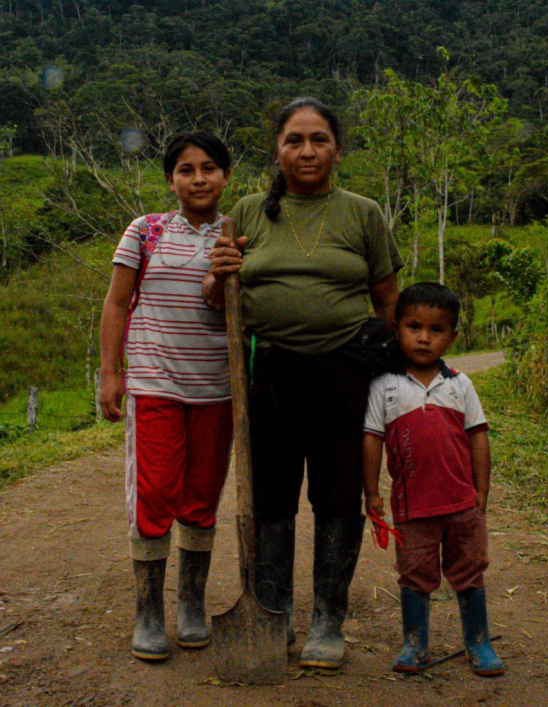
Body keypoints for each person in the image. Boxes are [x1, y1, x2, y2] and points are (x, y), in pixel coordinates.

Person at [205, 97, 402, 669]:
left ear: (338, 150)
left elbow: (389, 301)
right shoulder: (246, 212)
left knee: (338, 493)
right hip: (268, 371)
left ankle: (327, 620)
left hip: (344, 371)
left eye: (319, 140)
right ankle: (274, 613)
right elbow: (217, 299)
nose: (307, 150)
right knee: (270, 496)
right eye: (295, 140)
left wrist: (395, 374)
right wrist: (216, 277)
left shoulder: (363, 213)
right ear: (278, 151)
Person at [99, 131, 233, 661]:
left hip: (217, 388)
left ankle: (191, 604)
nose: (198, 179)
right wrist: (109, 372)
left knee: (202, 495)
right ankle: (149, 611)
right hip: (155, 383)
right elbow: (116, 302)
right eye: (185, 170)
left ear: (226, 176)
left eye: (209, 168)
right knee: (154, 493)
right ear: (170, 180)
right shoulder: (146, 231)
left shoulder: (238, 233)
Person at [362, 283, 504, 677]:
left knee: (469, 569)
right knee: (414, 573)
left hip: (462, 504)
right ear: (396, 329)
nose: (423, 338)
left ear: (452, 337)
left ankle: (478, 641)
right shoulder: (384, 386)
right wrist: (372, 492)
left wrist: (481, 491)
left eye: (436, 330)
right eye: (414, 327)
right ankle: (415, 644)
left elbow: (479, 437)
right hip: (413, 508)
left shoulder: (460, 384)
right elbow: (372, 440)